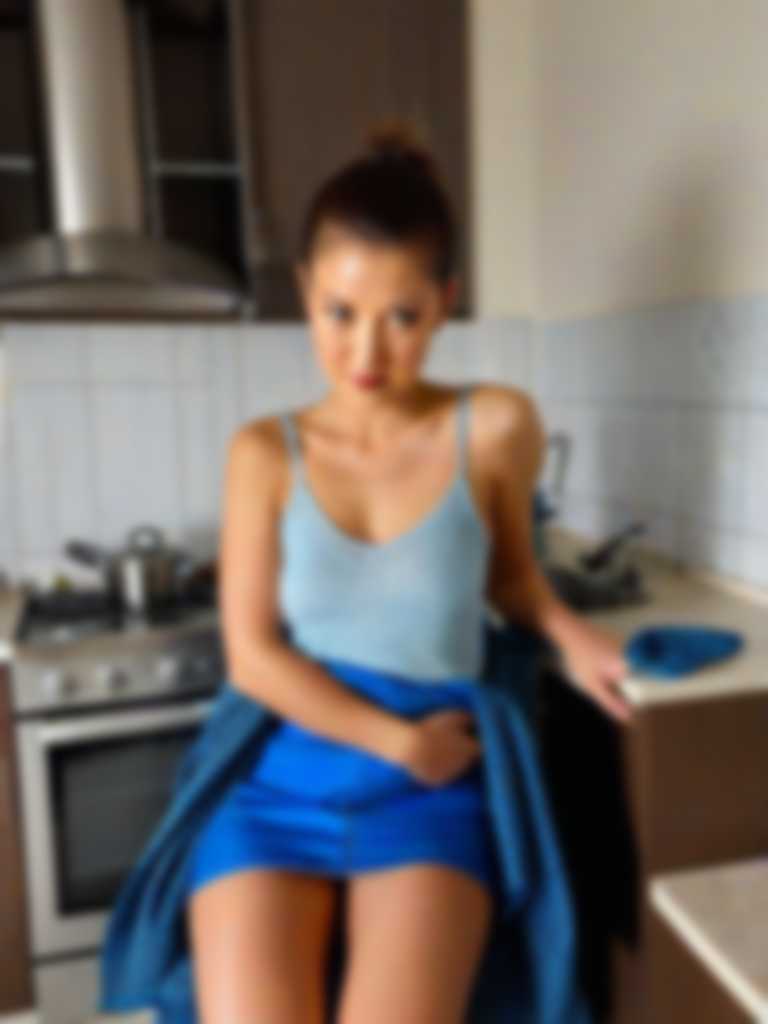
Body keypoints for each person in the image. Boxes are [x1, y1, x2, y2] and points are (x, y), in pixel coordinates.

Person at [99, 118, 631, 1024]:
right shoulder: (263, 454)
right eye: (339, 313)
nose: (366, 355)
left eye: (403, 318)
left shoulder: (495, 428)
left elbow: (509, 580)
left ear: (446, 302)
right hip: (284, 782)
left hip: (427, 799)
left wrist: (573, 637)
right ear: (305, 291)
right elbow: (254, 659)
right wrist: (399, 743)